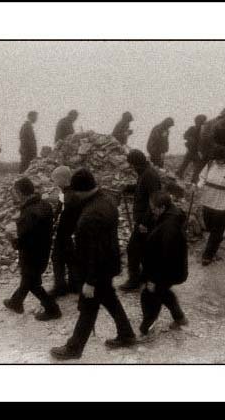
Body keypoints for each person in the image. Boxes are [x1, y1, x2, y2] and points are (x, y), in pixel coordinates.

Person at [50, 169, 136, 360]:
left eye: (76, 191)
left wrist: (90, 281)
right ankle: (127, 334)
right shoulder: (107, 200)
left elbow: (95, 251)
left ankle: (74, 348)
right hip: (109, 264)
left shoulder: (90, 216)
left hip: (96, 269)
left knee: (89, 307)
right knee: (110, 299)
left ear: (81, 190)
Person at [3, 177, 62, 321]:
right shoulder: (44, 205)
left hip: (30, 254)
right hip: (43, 250)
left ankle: (53, 309)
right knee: (29, 279)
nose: (15, 195)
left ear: (21, 193)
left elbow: (24, 240)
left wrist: (12, 239)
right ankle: (15, 302)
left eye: (16, 192)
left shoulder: (28, 212)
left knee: (33, 283)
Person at [139, 191, 189, 336]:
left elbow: (165, 257)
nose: (152, 211)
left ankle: (146, 329)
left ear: (162, 208)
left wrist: (154, 279)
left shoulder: (169, 227)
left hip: (165, 271)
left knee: (150, 295)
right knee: (163, 292)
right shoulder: (170, 217)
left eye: (153, 208)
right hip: (171, 270)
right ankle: (180, 318)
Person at [120, 149, 162, 292]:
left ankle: (134, 280)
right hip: (145, 220)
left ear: (135, 163)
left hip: (147, 221)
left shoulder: (149, 175)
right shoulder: (145, 172)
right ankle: (145, 276)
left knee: (133, 249)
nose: (131, 168)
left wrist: (144, 222)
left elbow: (154, 200)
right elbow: (141, 189)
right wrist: (128, 188)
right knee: (144, 249)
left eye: (131, 164)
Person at [195, 145, 225, 265]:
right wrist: (198, 186)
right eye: (216, 159)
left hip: (222, 206)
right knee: (209, 227)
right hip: (207, 202)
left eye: (219, 159)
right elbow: (202, 177)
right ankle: (217, 238)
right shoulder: (210, 164)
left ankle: (208, 255)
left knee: (216, 231)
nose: (217, 161)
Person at [49, 166, 81, 297]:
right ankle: (74, 285)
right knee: (71, 258)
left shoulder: (68, 195)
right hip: (72, 233)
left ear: (62, 179)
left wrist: (55, 227)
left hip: (65, 233)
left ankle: (60, 286)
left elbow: (63, 215)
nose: (54, 183)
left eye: (55, 180)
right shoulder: (72, 192)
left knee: (57, 258)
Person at [176, 114, 206, 179]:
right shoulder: (192, 128)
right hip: (192, 149)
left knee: (194, 165)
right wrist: (191, 139)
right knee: (188, 163)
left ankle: (193, 178)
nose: (202, 123)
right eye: (201, 121)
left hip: (197, 150)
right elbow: (185, 136)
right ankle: (181, 174)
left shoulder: (204, 130)